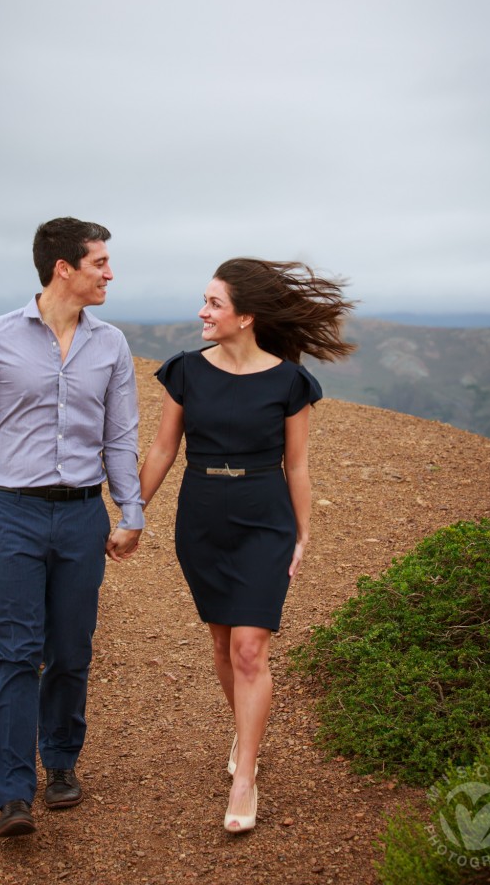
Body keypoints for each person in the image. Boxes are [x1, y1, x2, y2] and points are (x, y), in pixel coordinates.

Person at [0, 217, 143, 838]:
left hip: (81, 514)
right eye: (100, 262)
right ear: (63, 269)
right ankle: (14, 793)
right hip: (12, 515)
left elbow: (120, 435)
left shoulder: (112, 345)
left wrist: (130, 512)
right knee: (15, 655)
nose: (109, 272)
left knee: (71, 651)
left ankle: (63, 764)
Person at [139, 257, 354, 834]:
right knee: (220, 642)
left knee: (249, 650)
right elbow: (162, 450)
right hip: (202, 520)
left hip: (265, 520)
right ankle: (246, 726)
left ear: (246, 317)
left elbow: (299, 465)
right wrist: (132, 514)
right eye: (204, 301)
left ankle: (246, 773)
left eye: (214, 303)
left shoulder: (289, 381)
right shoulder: (184, 371)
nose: (202, 312)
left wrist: (304, 532)